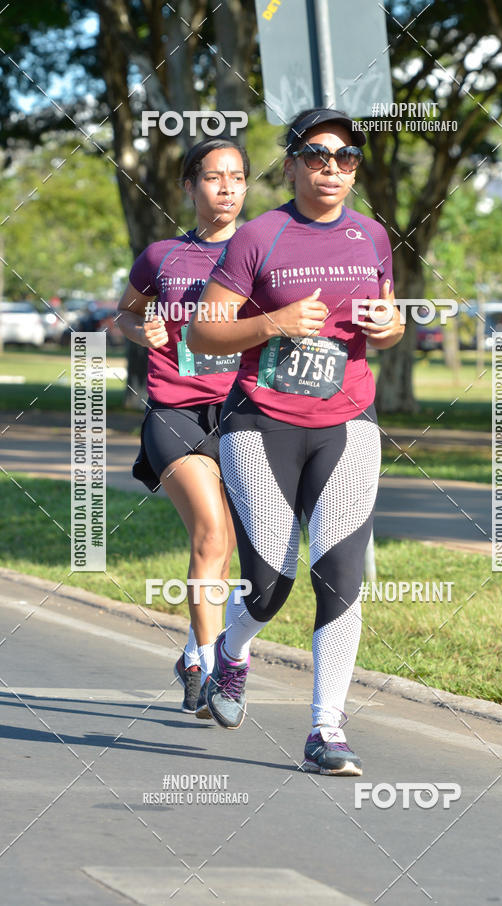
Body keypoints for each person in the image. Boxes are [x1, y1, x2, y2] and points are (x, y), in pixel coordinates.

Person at [187, 108, 405, 774]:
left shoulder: (372, 237)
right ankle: (230, 652)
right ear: (291, 164)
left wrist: (391, 325)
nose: (333, 167)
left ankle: (325, 731)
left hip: (348, 423)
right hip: (260, 423)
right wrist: (274, 322)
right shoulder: (259, 236)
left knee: (340, 577)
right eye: (318, 155)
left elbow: (387, 326)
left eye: (347, 157)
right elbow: (202, 334)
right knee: (272, 580)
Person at [116, 138, 249, 716]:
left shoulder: (263, 252)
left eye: (237, 177)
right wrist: (136, 329)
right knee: (211, 536)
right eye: (214, 177)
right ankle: (220, 666)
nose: (227, 187)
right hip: (176, 412)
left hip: (245, 415)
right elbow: (123, 310)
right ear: (189, 187)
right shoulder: (162, 256)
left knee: (230, 554)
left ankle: (194, 653)